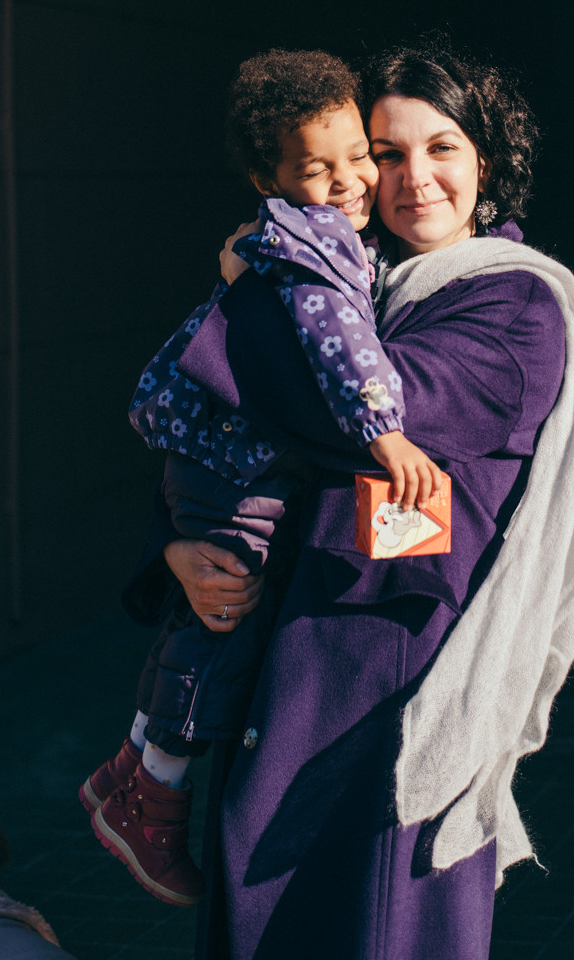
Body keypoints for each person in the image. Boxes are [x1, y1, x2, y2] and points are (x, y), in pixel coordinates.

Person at [124, 39, 574, 960]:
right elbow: (230, 438)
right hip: (287, 679)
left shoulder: (513, 306)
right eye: (387, 153)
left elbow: (346, 413)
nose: (413, 177)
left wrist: (247, 292)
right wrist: (177, 549)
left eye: (443, 147)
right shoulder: (350, 282)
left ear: (485, 161)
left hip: (384, 710)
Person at [80, 49, 441, 908]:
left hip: (227, 458)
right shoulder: (314, 242)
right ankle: (154, 785)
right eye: (319, 169)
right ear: (269, 180)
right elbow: (338, 344)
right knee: (226, 606)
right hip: (235, 462)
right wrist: (386, 434)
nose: (352, 180)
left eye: (360, 155)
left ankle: (132, 768)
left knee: (218, 602)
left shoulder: (314, 243)